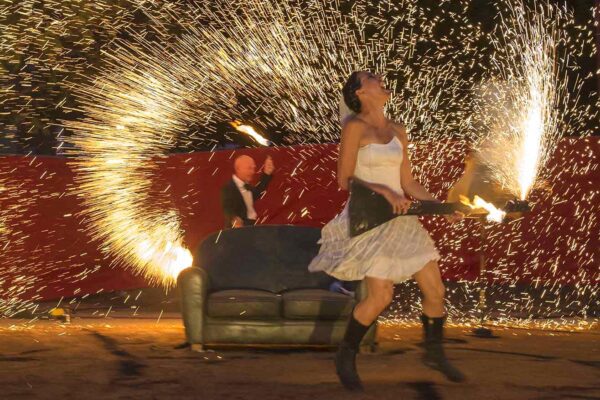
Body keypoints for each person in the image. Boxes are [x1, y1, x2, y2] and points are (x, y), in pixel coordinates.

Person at [308, 71, 465, 391]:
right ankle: (346, 354)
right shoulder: (354, 126)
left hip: (402, 220)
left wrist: (442, 207)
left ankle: (433, 352)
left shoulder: (398, 130)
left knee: (435, 291)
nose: (380, 77)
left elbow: (407, 183)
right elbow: (344, 178)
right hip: (372, 219)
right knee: (381, 296)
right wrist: (384, 191)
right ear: (360, 92)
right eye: (371, 77)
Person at [221, 154, 274, 228]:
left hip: (251, 226)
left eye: (253, 168)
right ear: (238, 169)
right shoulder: (229, 187)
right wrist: (234, 218)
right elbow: (227, 207)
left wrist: (267, 174)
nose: (252, 172)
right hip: (238, 229)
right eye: (249, 168)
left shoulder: (247, 186)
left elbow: (258, 192)